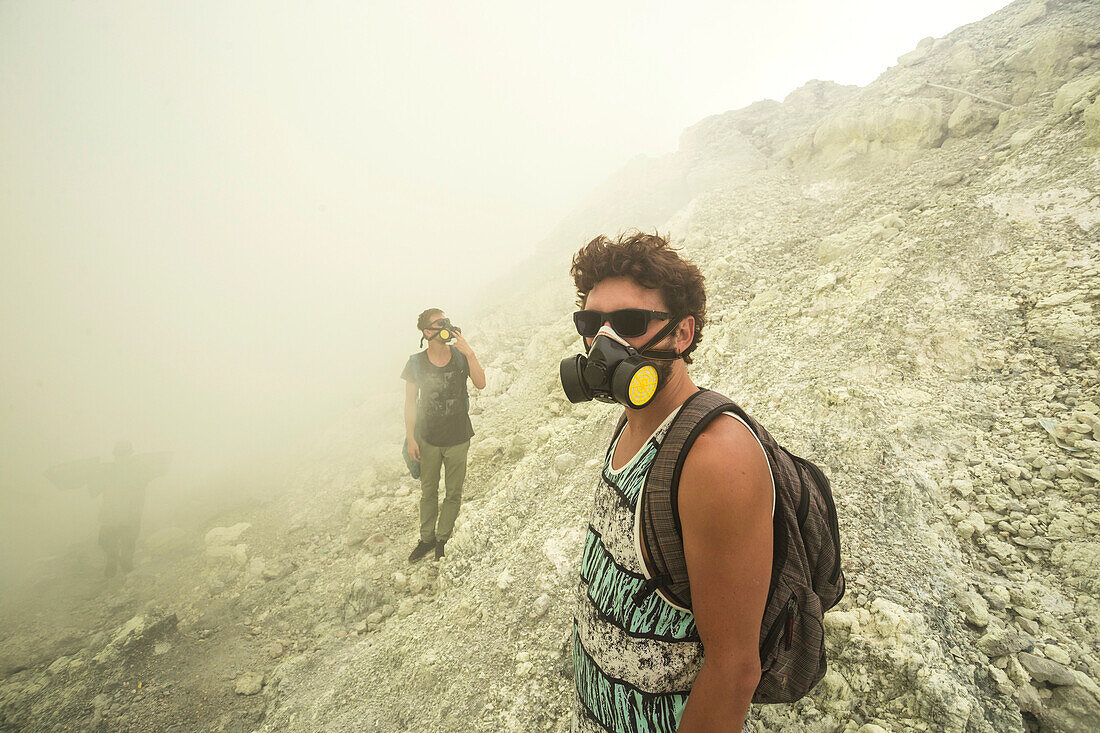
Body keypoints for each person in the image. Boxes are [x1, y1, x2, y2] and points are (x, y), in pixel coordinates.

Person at [567, 232, 775, 733]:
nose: (605, 344)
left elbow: (735, 670)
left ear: (682, 334)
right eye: (592, 324)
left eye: (631, 323)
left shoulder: (716, 459)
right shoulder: (634, 417)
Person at [402, 308, 486, 562]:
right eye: (439, 323)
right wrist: (411, 438)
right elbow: (410, 403)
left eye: (446, 321)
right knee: (428, 492)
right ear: (427, 332)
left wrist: (468, 352)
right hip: (427, 438)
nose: (445, 325)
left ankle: (442, 539)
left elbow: (481, 383)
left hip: (459, 437)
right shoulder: (416, 363)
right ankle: (426, 539)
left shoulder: (461, 358)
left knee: (453, 493)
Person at [93, 440, 158, 578]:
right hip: (131, 514)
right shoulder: (139, 468)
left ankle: (113, 560)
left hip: (111, 514)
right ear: (130, 453)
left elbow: (94, 491)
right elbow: (147, 480)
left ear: (115, 454)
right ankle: (126, 568)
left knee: (107, 540)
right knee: (128, 542)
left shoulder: (106, 470)